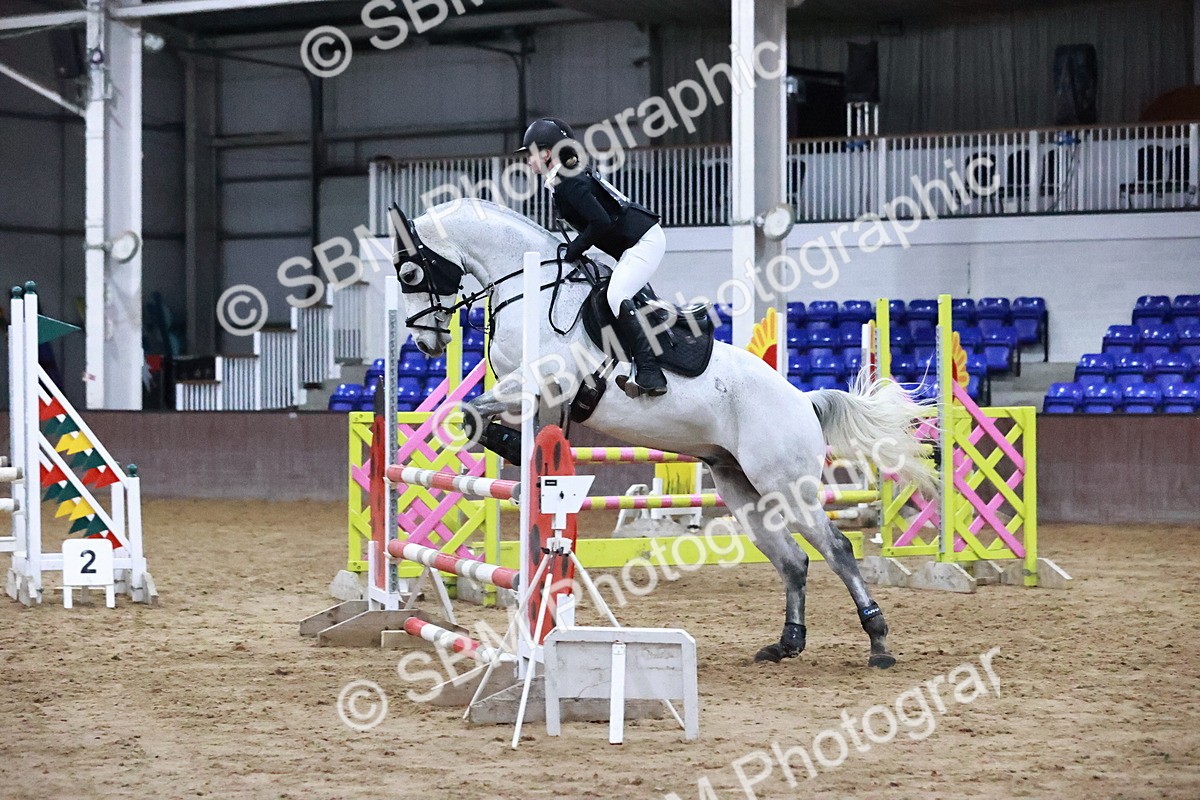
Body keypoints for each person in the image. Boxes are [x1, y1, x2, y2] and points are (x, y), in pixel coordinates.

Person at [517, 117, 668, 397]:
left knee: (615, 295)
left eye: (530, 154)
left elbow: (600, 222)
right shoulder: (565, 177)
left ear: (547, 153)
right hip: (632, 244)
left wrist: (574, 250)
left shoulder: (569, 181)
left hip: (644, 241)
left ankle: (650, 371)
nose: (527, 161)